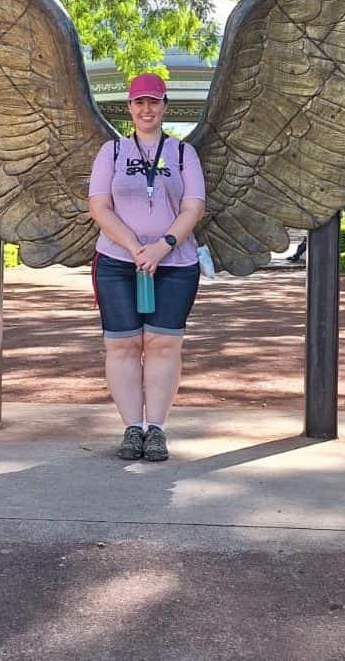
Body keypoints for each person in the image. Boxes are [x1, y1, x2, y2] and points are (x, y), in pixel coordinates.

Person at [88, 73, 206, 462]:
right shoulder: (113, 152)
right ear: (129, 108)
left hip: (175, 264)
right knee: (121, 345)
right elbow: (99, 206)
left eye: (153, 101)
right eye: (139, 102)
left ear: (164, 105)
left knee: (162, 344)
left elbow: (193, 207)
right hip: (118, 261)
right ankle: (130, 429)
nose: (146, 109)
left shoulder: (184, 154)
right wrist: (136, 247)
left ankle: (155, 428)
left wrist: (163, 246)